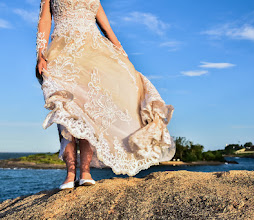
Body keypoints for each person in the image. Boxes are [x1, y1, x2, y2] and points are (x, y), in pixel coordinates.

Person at [35, 0, 176, 190]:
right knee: (65, 110)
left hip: (94, 53)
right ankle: (70, 173)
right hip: (63, 53)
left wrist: (121, 52)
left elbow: (105, 27)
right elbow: (44, 20)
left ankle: (85, 172)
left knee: (90, 111)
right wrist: (40, 54)